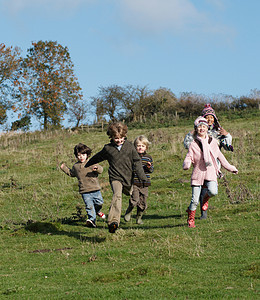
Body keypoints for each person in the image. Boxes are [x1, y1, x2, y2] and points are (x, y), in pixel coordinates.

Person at [85, 122, 147, 233]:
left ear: (124, 136)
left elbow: (137, 162)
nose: (118, 140)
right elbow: (98, 157)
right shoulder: (108, 148)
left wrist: (142, 177)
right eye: (116, 138)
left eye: (121, 138)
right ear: (111, 137)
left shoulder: (129, 147)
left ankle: (131, 212)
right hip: (115, 177)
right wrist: (87, 164)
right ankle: (113, 222)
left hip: (128, 178)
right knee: (117, 195)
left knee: (132, 195)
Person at [183, 116, 238, 228]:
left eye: (204, 126)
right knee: (194, 200)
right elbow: (189, 156)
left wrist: (231, 168)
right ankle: (191, 218)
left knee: (213, 191)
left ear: (207, 128)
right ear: (196, 129)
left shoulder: (213, 142)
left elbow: (220, 157)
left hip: (211, 172)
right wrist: (187, 164)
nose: (202, 128)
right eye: (199, 127)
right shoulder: (193, 143)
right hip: (198, 173)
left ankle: (205, 199)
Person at [60, 143, 105, 228]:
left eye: (83, 155)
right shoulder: (76, 166)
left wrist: (97, 169)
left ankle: (98, 211)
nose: (81, 157)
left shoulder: (92, 162)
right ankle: (92, 221)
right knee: (89, 206)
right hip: (84, 191)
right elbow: (71, 173)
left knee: (99, 203)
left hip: (95, 188)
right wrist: (64, 168)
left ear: (87, 155)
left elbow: (101, 170)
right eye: (79, 155)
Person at [124, 135, 154, 225]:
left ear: (146, 147)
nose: (140, 148)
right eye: (138, 146)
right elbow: (129, 168)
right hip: (135, 182)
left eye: (142, 146)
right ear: (135, 147)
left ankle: (139, 218)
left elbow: (151, 170)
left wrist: (149, 167)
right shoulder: (132, 157)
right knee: (135, 200)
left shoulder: (148, 157)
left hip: (145, 183)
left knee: (143, 203)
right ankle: (128, 211)